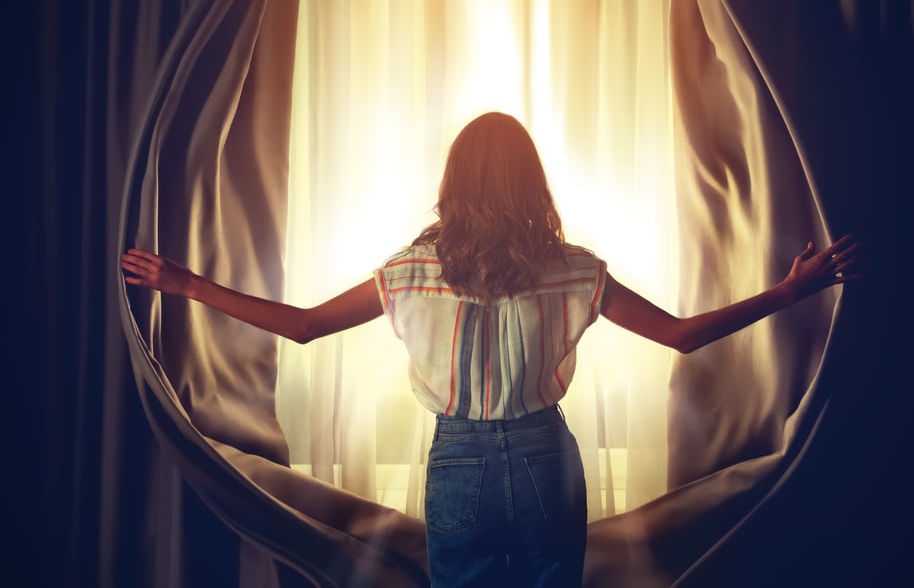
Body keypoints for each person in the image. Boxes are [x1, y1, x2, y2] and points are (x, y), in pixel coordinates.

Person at [121, 111, 861, 588]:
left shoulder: (410, 270)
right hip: (547, 457)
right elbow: (683, 335)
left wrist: (185, 283)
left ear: (456, 183)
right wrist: (789, 292)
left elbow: (303, 325)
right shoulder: (573, 268)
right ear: (529, 182)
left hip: (458, 461)